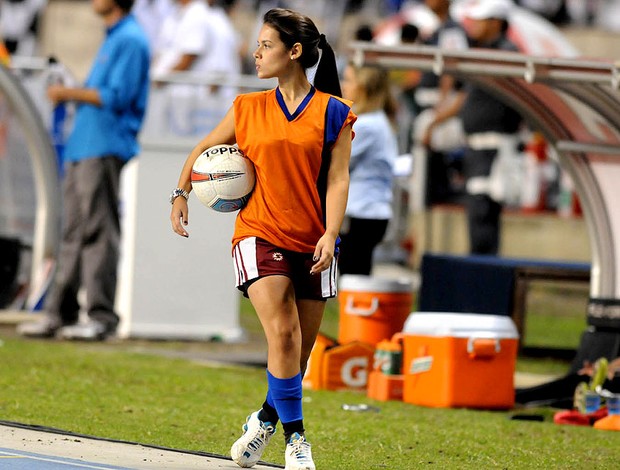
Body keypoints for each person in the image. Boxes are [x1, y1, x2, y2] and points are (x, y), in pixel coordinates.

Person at [169, 7, 355, 470]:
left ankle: (265, 420)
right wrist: (181, 193)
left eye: (265, 45)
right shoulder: (246, 107)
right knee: (284, 333)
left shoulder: (335, 113)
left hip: (316, 242)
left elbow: (337, 180)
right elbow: (200, 152)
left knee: (298, 354)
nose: (255, 53)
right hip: (258, 234)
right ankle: (298, 442)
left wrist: (331, 234)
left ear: (294, 52)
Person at [17, 0, 150, 340]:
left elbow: (117, 96)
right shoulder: (113, 37)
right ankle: (59, 314)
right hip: (84, 144)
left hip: (104, 144)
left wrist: (67, 91)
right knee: (73, 231)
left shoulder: (131, 39)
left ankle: (101, 317)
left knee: (99, 231)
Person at [458, 0, 523, 255]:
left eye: (480, 19)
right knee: (477, 217)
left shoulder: (506, 54)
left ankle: (483, 277)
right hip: (478, 150)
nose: (473, 25)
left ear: (496, 22)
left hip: (492, 149)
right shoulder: (484, 52)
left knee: (483, 217)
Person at [339, 63, 398, 275]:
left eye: (349, 80)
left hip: (364, 212)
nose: (344, 86)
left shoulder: (368, 125)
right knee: (355, 272)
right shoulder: (375, 122)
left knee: (353, 275)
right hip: (368, 211)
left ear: (362, 87)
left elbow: (337, 161)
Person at [412, 0, 469, 206]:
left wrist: (440, 111)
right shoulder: (440, 28)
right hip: (433, 105)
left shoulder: (452, 29)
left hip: (441, 105)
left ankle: (428, 202)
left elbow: (450, 70)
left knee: (427, 162)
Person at [150, 0, 215, 134]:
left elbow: (189, 56)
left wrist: (161, 79)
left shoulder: (198, 13)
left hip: (184, 94)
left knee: (179, 141)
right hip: (168, 91)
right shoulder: (176, 13)